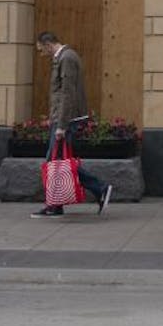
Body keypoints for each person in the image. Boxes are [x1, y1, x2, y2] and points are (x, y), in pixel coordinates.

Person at [31, 30, 112, 218]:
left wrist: (61, 125)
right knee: (59, 162)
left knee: (56, 161)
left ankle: (99, 189)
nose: (42, 53)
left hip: (65, 119)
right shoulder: (65, 57)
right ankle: (57, 205)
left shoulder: (66, 58)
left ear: (48, 44)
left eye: (41, 49)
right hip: (62, 118)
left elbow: (68, 94)